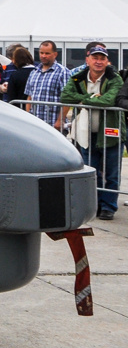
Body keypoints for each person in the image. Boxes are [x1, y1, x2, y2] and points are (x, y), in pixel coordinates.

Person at [61, 44, 123, 221]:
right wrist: (90, 98)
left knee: (112, 172)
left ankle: (109, 206)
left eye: (102, 58)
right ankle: (94, 205)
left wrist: (84, 101)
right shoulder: (77, 78)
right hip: (85, 133)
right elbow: (65, 96)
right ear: (87, 59)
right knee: (91, 171)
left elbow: (109, 100)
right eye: (95, 58)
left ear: (107, 61)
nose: (98, 61)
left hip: (111, 132)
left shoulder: (114, 78)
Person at [25, 40, 70, 130]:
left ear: (55, 54)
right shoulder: (34, 72)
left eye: (47, 53)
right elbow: (29, 97)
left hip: (53, 124)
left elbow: (67, 99)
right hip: (35, 123)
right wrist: (27, 117)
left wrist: (60, 120)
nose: (43, 56)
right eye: (41, 53)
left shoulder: (63, 72)